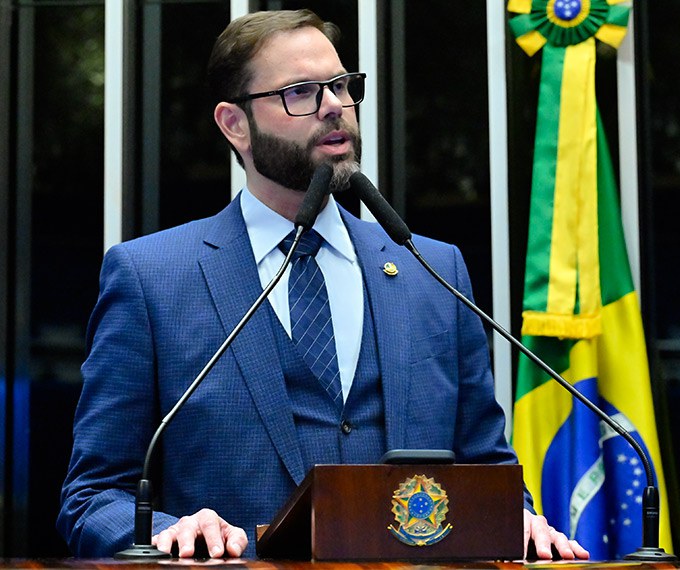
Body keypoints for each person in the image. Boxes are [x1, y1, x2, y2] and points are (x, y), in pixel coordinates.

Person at [57, 9, 588, 561]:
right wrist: (170, 532)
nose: (334, 105)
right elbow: (93, 497)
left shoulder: (432, 272)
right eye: (302, 92)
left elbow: (488, 471)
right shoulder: (152, 279)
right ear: (235, 124)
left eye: (341, 85)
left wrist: (519, 520)